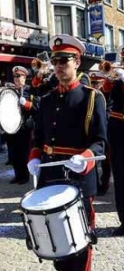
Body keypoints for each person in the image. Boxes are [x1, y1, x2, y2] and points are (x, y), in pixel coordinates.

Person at [27, 34, 107, 271]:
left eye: (65, 61)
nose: (59, 67)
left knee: (79, 244)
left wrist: (85, 158)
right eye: (55, 61)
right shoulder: (48, 99)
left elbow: (100, 142)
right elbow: (38, 138)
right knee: (56, 244)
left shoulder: (91, 98)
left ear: (77, 62)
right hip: (50, 176)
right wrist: (34, 157)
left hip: (78, 178)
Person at [102, 45, 124, 235]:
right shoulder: (117, 78)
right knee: (120, 176)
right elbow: (104, 96)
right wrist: (109, 80)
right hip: (118, 131)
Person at [8, 66, 39, 184]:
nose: (16, 78)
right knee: (13, 153)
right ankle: (17, 175)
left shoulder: (30, 89)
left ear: (24, 77)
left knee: (23, 152)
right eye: (15, 76)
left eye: (19, 76)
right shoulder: (10, 90)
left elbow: (37, 106)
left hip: (24, 125)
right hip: (12, 125)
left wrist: (26, 104)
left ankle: (24, 176)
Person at [89, 72, 112, 196]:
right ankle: (96, 183)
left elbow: (109, 113)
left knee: (105, 161)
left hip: (106, 131)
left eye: (97, 83)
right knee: (93, 159)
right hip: (92, 132)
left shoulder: (108, 96)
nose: (94, 86)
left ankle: (105, 183)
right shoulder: (90, 95)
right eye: (93, 83)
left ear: (103, 83)